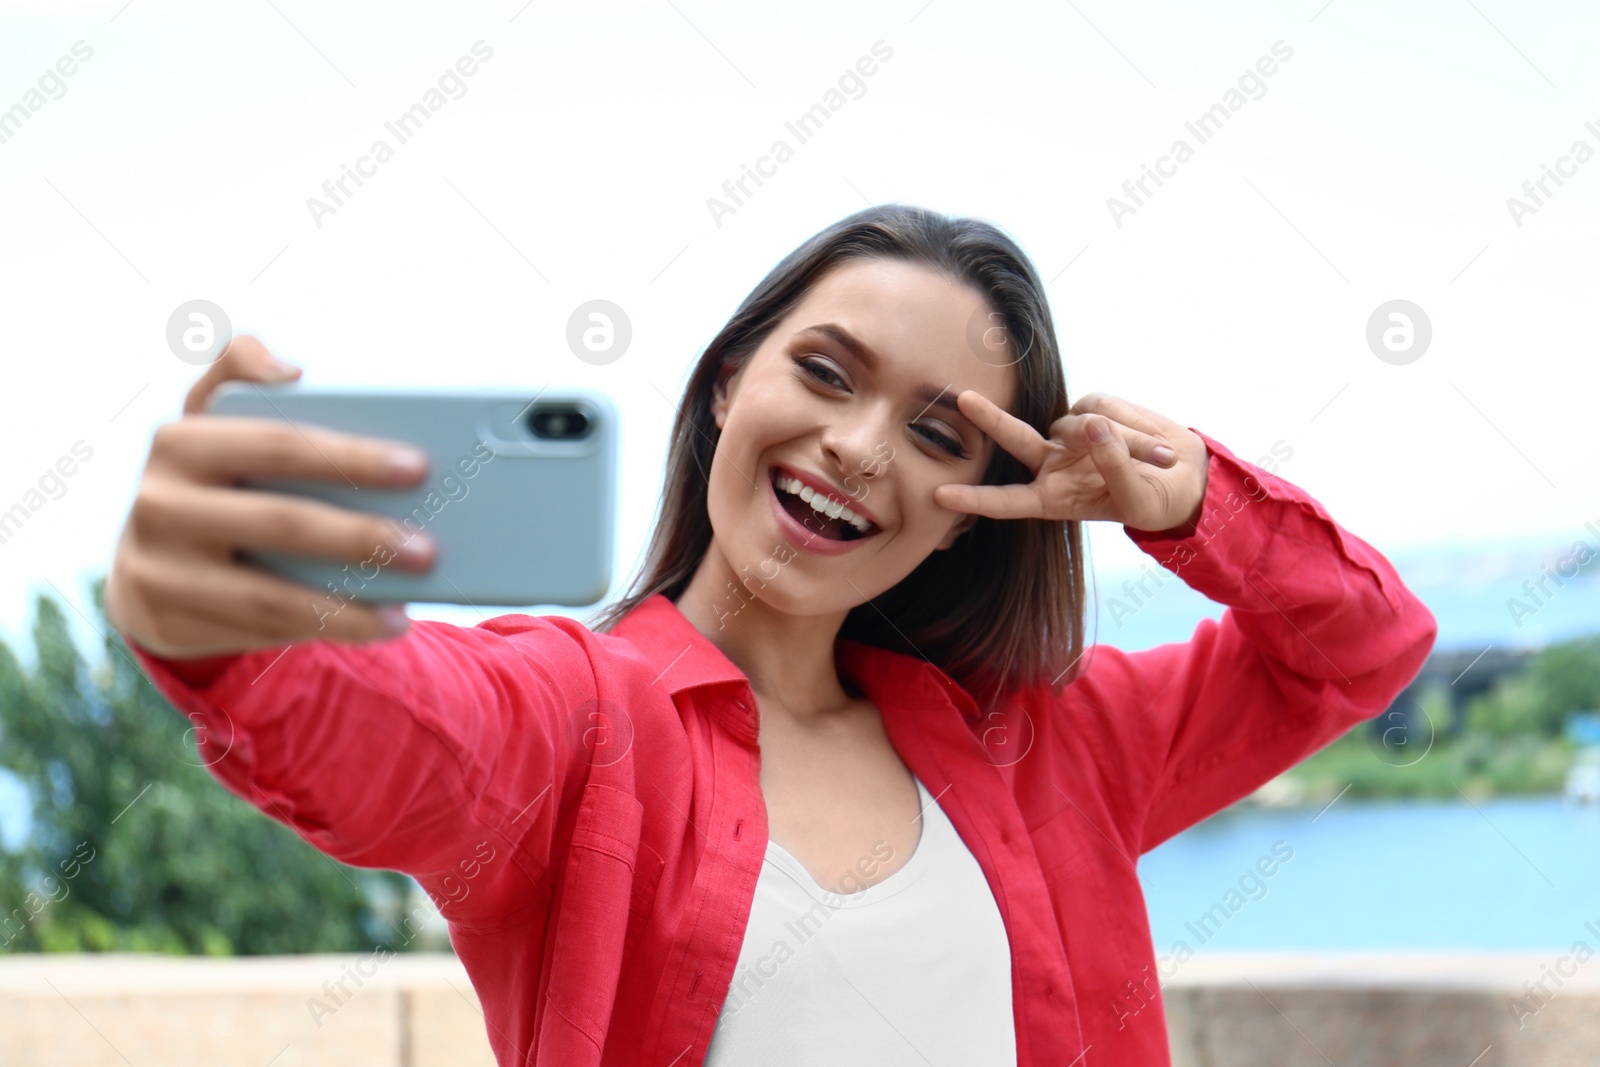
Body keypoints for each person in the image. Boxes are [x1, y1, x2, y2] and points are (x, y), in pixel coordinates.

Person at [106, 204, 1438, 1066]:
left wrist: (1197, 499)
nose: (857, 448)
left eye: (937, 431)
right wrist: (219, 631)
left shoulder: (1058, 745)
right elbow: (394, 735)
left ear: (974, 515)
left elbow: (1362, 645)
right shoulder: (578, 722)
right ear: (734, 375)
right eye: (825, 370)